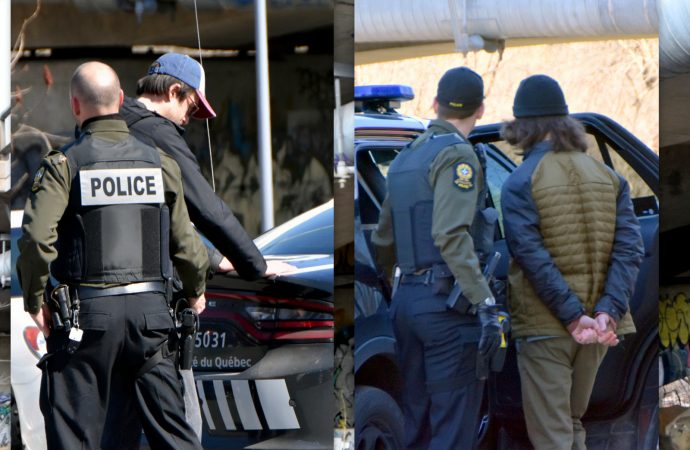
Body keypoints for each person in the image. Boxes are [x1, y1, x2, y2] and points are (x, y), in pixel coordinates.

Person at [16, 61, 208, 450]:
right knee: (175, 437)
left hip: (87, 324)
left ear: (74, 106)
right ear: (121, 100)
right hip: (152, 322)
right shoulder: (160, 163)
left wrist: (35, 301)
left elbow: (37, 240)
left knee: (74, 437)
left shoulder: (64, 165)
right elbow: (186, 243)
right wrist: (195, 289)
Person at [500, 74, 644, 450]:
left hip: (548, 327)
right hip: (595, 328)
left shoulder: (519, 183)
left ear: (523, 127)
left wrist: (570, 315)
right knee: (572, 425)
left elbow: (531, 258)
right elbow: (629, 250)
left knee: (551, 436)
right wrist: (607, 312)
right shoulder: (609, 178)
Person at [371, 67, 502, 450]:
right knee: (453, 431)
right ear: (480, 110)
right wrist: (485, 302)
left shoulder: (406, 156)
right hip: (447, 312)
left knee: (417, 424)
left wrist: (398, 287)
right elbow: (450, 235)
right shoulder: (458, 156)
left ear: (435, 105)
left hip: (408, 305)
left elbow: (383, 238)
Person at [120, 52, 293, 278]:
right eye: (191, 108)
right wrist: (256, 265)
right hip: (142, 284)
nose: (187, 119)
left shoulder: (108, 122)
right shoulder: (159, 134)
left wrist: (212, 257)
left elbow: (153, 219)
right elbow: (207, 209)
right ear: (173, 92)